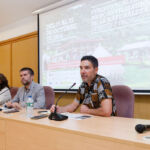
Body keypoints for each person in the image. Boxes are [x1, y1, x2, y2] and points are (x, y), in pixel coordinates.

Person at [51, 55, 116, 117]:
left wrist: (87, 111)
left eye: (87, 68)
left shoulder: (102, 82)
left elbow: (107, 111)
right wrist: (59, 110)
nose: (82, 71)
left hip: (107, 123)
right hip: (91, 122)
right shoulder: (83, 85)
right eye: (81, 68)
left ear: (96, 70)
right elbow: (73, 106)